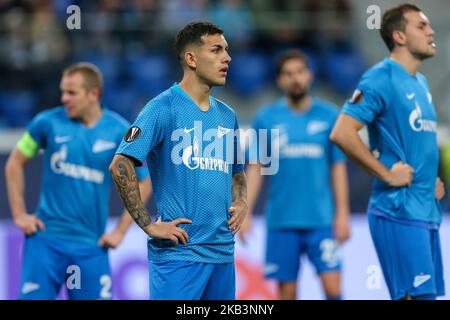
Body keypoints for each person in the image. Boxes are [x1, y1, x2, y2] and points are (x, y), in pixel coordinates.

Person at [109, 21, 247, 300]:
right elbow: (120, 163)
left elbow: (237, 172)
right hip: (179, 256)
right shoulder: (162, 107)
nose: (227, 58)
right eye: (217, 50)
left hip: (222, 254)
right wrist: (148, 224)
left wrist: (241, 200)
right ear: (191, 58)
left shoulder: (228, 115)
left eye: (227, 50)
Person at [4, 62, 151, 300]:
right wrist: (20, 214)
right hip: (45, 243)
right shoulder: (47, 123)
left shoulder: (119, 132)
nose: (64, 98)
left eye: (71, 93)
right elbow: (14, 163)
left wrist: (121, 231)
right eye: (62, 91)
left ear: (93, 94)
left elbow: (144, 182)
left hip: (90, 247)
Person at [330, 4, 445, 300]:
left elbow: (412, 139)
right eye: (421, 26)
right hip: (398, 210)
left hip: (425, 211)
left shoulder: (420, 82)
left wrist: (428, 176)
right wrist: (385, 174)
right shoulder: (380, 78)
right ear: (400, 36)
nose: (431, 31)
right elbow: (342, 132)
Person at [240, 49, 350, 300]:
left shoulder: (330, 115)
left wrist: (342, 214)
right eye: (289, 74)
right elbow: (256, 167)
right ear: (280, 81)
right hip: (281, 222)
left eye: (300, 72)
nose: (296, 78)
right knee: (287, 293)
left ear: (310, 75)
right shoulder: (266, 118)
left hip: (321, 221)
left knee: (333, 288)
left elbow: (338, 166)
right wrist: (244, 211)